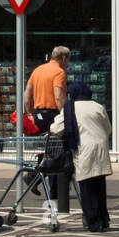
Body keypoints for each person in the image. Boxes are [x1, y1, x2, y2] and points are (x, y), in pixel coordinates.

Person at [51, 81, 112, 231]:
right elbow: (108, 129)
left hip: (84, 148)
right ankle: (104, 219)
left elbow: (55, 128)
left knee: (86, 187)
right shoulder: (98, 106)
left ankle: (93, 222)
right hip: (101, 147)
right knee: (99, 186)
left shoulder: (71, 108)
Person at [23, 46, 69, 198]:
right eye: (68, 59)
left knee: (50, 150)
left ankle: (33, 177)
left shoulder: (38, 70)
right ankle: (55, 190)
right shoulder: (59, 72)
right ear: (63, 58)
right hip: (53, 115)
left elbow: (27, 93)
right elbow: (58, 96)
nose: (68, 63)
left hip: (39, 115)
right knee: (57, 153)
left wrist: (30, 113)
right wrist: (65, 115)